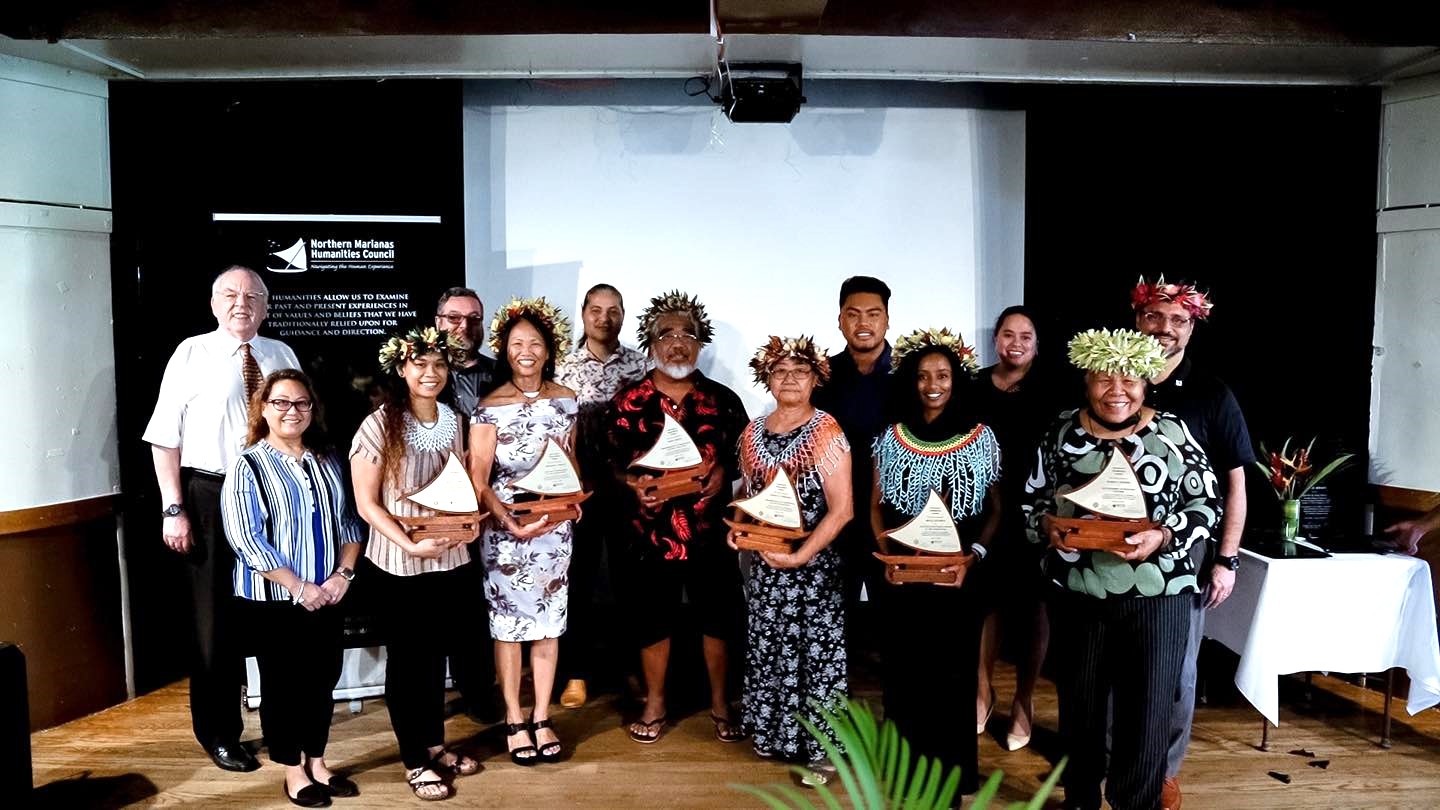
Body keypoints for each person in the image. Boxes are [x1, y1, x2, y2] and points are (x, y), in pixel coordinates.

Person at [1025, 328, 1221, 810]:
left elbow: (1207, 503)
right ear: (1086, 381)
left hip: (1160, 596)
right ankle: (1082, 799)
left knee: (1150, 709)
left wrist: (1164, 534)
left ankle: (1136, 802)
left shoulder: (1171, 432)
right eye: (1103, 378)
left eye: (1130, 378)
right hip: (1079, 593)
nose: (1118, 389)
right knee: (1081, 708)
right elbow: (1030, 500)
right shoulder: (1061, 431)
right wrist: (1047, 526)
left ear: (1145, 382)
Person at [143, 265, 300, 772]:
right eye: (231, 294)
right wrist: (174, 509)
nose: (242, 303)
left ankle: (283, 730)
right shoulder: (191, 352)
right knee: (215, 623)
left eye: (254, 296)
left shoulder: (281, 354)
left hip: (274, 492)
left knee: (278, 613)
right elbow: (165, 436)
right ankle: (220, 734)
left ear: (266, 306)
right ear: (213, 303)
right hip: (210, 492)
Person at [605, 290, 749, 745]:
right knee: (652, 619)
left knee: (719, 617)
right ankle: (655, 702)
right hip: (648, 534)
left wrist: (724, 470)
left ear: (700, 343)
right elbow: (608, 464)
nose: (677, 343)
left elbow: (745, 457)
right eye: (666, 334)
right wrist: (635, 489)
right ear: (650, 344)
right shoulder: (628, 400)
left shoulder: (723, 400)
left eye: (688, 333)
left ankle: (722, 702)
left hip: (710, 533)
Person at [1131, 276, 1253, 809]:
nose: (1165, 329)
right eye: (1155, 317)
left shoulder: (1212, 391)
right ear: (1137, 320)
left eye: (1178, 320)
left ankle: (1162, 770)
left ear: (1192, 328)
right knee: (1114, 670)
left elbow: (1235, 485)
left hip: (1188, 561)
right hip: (1111, 554)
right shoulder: (1114, 378)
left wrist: (1225, 559)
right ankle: (1118, 764)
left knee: (1178, 673)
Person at [221, 370, 363, 807]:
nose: (292, 411)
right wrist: (300, 587)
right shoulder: (248, 464)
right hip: (274, 600)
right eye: (281, 403)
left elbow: (350, 523)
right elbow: (246, 538)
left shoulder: (328, 460)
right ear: (263, 409)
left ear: (312, 410)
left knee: (323, 680)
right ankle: (293, 770)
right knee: (284, 687)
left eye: (301, 403)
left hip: (328, 595)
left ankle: (318, 761)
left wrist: (343, 575)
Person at [350, 326, 480, 801]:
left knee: (438, 656)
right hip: (399, 562)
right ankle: (413, 760)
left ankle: (434, 744)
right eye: (420, 364)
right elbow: (366, 504)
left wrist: (467, 526)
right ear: (402, 368)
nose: (430, 373)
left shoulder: (454, 419)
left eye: (439, 365)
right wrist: (407, 543)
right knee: (408, 662)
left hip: (449, 558)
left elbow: (460, 488)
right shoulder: (380, 424)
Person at [870, 328, 1001, 797]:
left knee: (952, 676)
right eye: (924, 375)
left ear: (956, 379)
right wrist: (885, 552)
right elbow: (875, 504)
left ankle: (952, 776)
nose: (933, 383)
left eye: (942, 375)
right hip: (904, 576)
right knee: (906, 673)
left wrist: (974, 556)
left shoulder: (979, 436)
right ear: (911, 380)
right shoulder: (891, 436)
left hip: (957, 575)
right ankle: (907, 774)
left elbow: (995, 510)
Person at [730, 336, 853, 772]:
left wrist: (802, 556)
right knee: (770, 647)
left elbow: (843, 510)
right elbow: (749, 497)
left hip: (814, 569)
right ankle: (776, 736)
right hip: (766, 568)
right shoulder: (752, 433)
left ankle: (822, 752)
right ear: (766, 377)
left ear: (816, 378)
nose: (789, 379)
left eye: (800, 372)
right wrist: (740, 531)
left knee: (814, 655)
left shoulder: (827, 431)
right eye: (780, 371)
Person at [469, 297, 580, 766]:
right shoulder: (489, 407)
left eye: (535, 342)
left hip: (553, 529)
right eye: (517, 344)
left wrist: (570, 506)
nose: (527, 351)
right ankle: (514, 718)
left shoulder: (567, 400)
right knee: (510, 628)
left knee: (549, 626)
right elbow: (479, 477)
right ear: (505, 350)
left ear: (549, 348)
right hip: (506, 533)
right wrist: (507, 519)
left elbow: (570, 462)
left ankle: (542, 716)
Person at [553, 283, 649, 709]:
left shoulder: (642, 366)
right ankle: (576, 672)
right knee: (579, 580)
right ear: (584, 313)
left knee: (631, 583)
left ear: (623, 316)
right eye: (596, 310)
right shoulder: (561, 367)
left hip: (628, 487)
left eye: (613, 311)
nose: (604, 318)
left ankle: (633, 669)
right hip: (581, 487)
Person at [973, 306, 1058, 751]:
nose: (1017, 343)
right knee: (985, 603)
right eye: (1008, 334)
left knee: (1034, 609)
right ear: (996, 339)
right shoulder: (973, 385)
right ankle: (983, 692)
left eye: (1026, 335)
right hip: (982, 508)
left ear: (1036, 344)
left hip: (1035, 508)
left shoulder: (1051, 389)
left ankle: (1024, 702)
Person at [812, 276, 893, 643]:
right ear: (840, 320)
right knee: (830, 617)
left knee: (893, 614)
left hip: (891, 516)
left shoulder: (909, 376)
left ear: (887, 320)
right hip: (834, 516)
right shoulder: (822, 376)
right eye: (853, 314)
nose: (864, 323)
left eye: (874, 314)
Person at [432, 286, 499, 723]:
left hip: (492, 504)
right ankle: (428, 694)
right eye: (454, 318)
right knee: (441, 601)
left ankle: (477, 691)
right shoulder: (420, 371)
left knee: (477, 605)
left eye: (473, 318)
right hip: (434, 504)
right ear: (438, 322)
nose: (464, 326)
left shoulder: (500, 373)